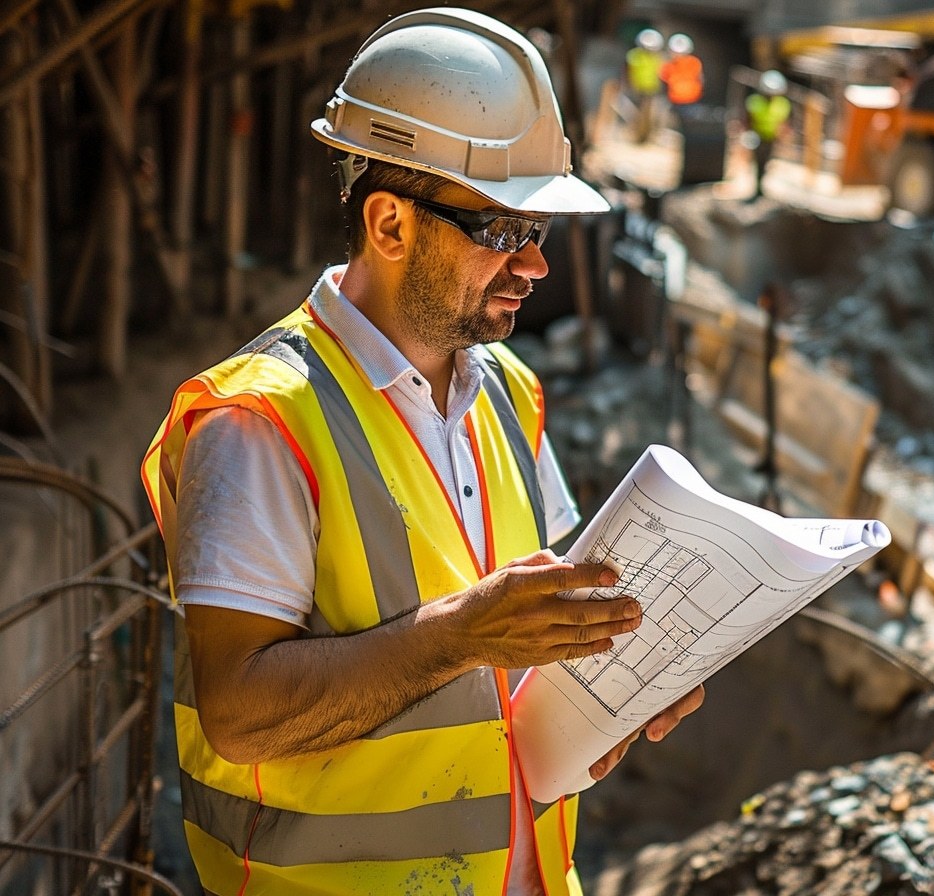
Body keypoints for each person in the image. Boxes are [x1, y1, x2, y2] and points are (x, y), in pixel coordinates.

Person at [141, 9, 703, 895]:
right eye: (502, 233)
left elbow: (531, 641)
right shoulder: (261, 420)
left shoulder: (509, 393)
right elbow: (239, 716)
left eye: (538, 234)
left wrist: (619, 692)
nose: (534, 269)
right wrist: (460, 636)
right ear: (390, 224)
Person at [745, 69, 792, 199]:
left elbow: (783, 122)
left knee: (766, 163)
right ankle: (757, 187)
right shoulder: (755, 101)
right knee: (757, 163)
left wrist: (783, 137)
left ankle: (761, 187)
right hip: (757, 137)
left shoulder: (782, 104)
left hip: (771, 138)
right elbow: (749, 119)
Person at [625, 27, 664, 142]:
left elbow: (660, 72)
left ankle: (645, 136)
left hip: (651, 89)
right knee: (636, 113)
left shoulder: (657, 57)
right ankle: (636, 135)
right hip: (637, 88)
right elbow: (628, 71)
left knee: (649, 114)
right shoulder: (634, 55)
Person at [660, 33, 703, 108]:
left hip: (678, 99)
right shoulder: (695, 61)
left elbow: (663, 80)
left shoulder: (669, 64)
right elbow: (701, 79)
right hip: (692, 98)